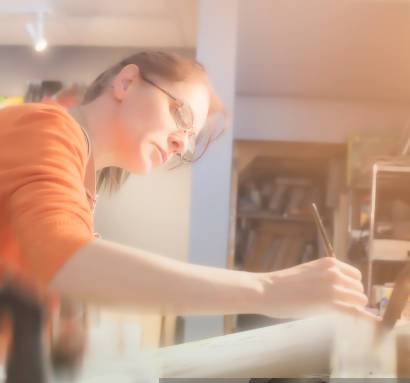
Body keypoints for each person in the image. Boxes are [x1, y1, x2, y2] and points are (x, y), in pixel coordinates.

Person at [0, 51, 368, 321]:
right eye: (182, 116)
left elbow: (67, 272)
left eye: (192, 138)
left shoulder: (78, 181)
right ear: (126, 82)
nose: (183, 146)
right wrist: (270, 289)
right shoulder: (47, 127)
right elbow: (67, 262)